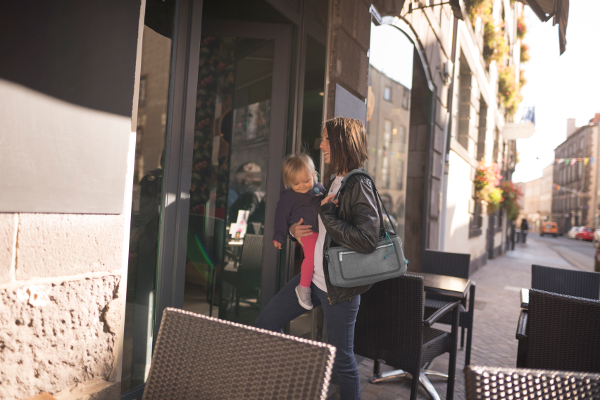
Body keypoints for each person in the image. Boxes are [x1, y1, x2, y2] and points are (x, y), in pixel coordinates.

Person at [256, 117, 380, 400]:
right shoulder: (332, 181)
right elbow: (313, 225)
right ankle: (289, 384)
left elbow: (367, 240)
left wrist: (327, 214)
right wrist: (291, 230)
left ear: (341, 142)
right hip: (312, 279)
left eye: (326, 138)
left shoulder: (358, 184)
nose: (321, 144)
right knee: (264, 325)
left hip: (340, 290)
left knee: (342, 359)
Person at [272, 153, 325, 310]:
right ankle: (303, 287)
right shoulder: (288, 197)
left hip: (320, 231)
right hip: (306, 232)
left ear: (314, 175)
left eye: (306, 181)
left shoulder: (318, 188)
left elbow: (323, 201)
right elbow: (280, 217)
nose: (302, 186)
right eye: (296, 183)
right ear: (288, 183)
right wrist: (279, 236)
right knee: (311, 258)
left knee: (318, 257)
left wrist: (328, 200)